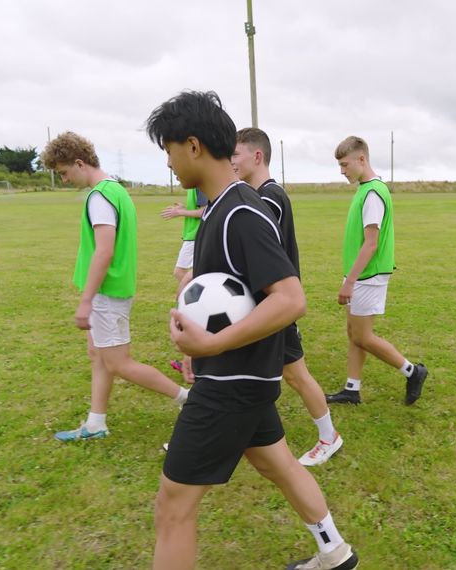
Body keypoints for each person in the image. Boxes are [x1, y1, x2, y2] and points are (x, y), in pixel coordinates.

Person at [146, 91, 359, 570]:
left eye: (170, 150)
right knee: (275, 462)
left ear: (194, 145)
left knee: (172, 507)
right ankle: (335, 552)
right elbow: (227, 297)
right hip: (242, 378)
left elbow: (290, 297)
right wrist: (196, 346)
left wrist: (212, 345)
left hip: (232, 386)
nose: (169, 162)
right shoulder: (217, 211)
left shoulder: (241, 212)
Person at [40, 132, 188, 442]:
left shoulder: (100, 196)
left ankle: (188, 399)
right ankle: (96, 423)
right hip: (113, 292)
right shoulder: (116, 190)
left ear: (80, 163)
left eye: (64, 173)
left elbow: (104, 250)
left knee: (119, 363)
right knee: (98, 355)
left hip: (107, 294)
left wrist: (85, 301)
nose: (64, 180)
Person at [231, 126, 344, 466]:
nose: (230, 161)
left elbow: (264, 254)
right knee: (245, 372)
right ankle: (229, 436)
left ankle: (329, 437)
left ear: (257, 155)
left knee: (295, 374)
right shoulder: (259, 194)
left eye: (235, 154)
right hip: (262, 305)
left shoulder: (268, 197)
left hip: (274, 306)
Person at [326, 136, 427, 406]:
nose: (342, 170)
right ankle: (351, 389)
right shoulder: (364, 188)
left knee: (363, 336)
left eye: (345, 164)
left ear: (362, 159)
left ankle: (412, 371)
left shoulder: (372, 193)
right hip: (359, 274)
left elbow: (371, 244)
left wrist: (349, 282)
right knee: (353, 332)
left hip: (367, 277)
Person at [161, 186, 207, 373]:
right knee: (184, 277)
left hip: (194, 238)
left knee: (183, 276)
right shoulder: (196, 186)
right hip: (191, 237)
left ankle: (198, 303)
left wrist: (181, 212)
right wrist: (184, 208)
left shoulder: (199, 184)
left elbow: (205, 210)